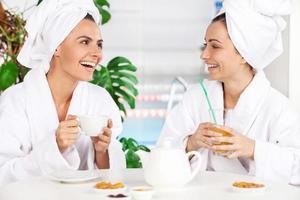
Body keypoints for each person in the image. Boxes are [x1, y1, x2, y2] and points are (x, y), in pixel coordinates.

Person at [158, 0, 300, 185]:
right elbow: (161, 152)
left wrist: (253, 149)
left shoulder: (277, 108)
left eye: (215, 46)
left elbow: (297, 169)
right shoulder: (196, 98)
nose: (204, 55)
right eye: (205, 45)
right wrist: (191, 143)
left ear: (243, 53)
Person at [0, 0, 125, 186]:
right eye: (85, 42)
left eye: (99, 44)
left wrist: (101, 151)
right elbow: (3, 175)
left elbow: (112, 179)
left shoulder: (100, 99)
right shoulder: (15, 101)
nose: (97, 54)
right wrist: (54, 146)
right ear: (56, 46)